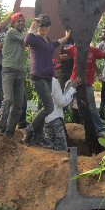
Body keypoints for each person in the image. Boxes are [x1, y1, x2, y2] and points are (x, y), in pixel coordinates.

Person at [23, 14, 71, 146]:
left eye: (45, 26)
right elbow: (26, 40)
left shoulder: (47, 41)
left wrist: (66, 38)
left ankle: (37, 138)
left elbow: (55, 44)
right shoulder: (35, 39)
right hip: (38, 77)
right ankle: (29, 129)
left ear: (49, 27)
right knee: (49, 107)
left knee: (45, 106)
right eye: (41, 26)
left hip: (47, 77)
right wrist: (33, 26)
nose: (43, 28)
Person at [64, 43, 105, 138]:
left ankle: (100, 130)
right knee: (62, 103)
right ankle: (56, 127)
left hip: (87, 84)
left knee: (92, 109)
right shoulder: (74, 47)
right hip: (74, 82)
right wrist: (64, 38)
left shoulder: (94, 50)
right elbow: (62, 50)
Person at [0, 12, 26, 139]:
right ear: (13, 24)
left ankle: (10, 132)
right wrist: (35, 26)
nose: (21, 23)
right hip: (9, 70)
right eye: (18, 21)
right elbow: (28, 40)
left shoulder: (19, 35)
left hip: (19, 71)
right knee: (7, 99)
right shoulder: (11, 32)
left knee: (19, 103)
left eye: (23, 21)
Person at [43, 62, 82, 151]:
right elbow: (62, 102)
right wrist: (72, 89)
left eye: (59, 68)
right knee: (61, 149)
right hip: (55, 120)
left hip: (47, 119)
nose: (59, 70)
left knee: (50, 148)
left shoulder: (44, 80)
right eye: (56, 69)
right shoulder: (54, 81)